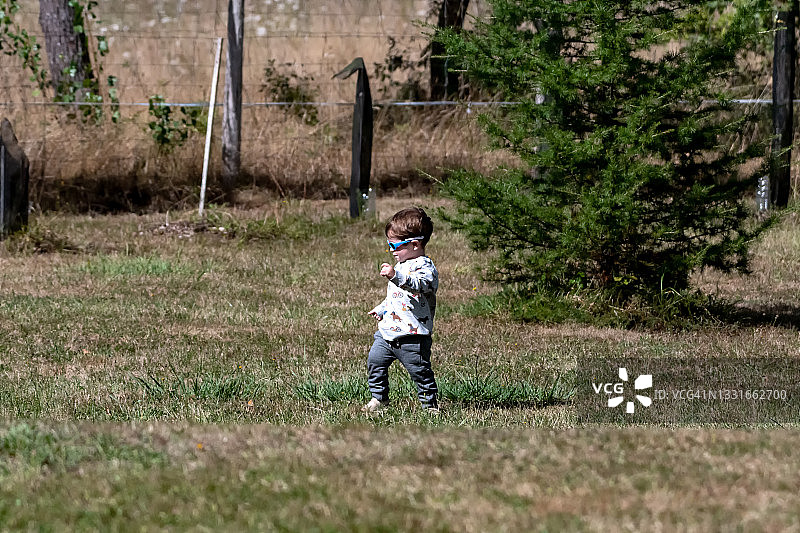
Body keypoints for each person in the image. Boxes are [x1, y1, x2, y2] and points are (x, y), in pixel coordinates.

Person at [363, 207, 440, 413]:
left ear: (415, 244)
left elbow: (419, 285)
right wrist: (382, 309)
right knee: (375, 363)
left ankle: (430, 405)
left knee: (420, 372)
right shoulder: (402, 265)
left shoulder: (425, 267)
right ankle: (379, 399)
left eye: (394, 245)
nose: (392, 250)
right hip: (388, 333)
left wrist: (395, 276)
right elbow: (396, 297)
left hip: (412, 336)